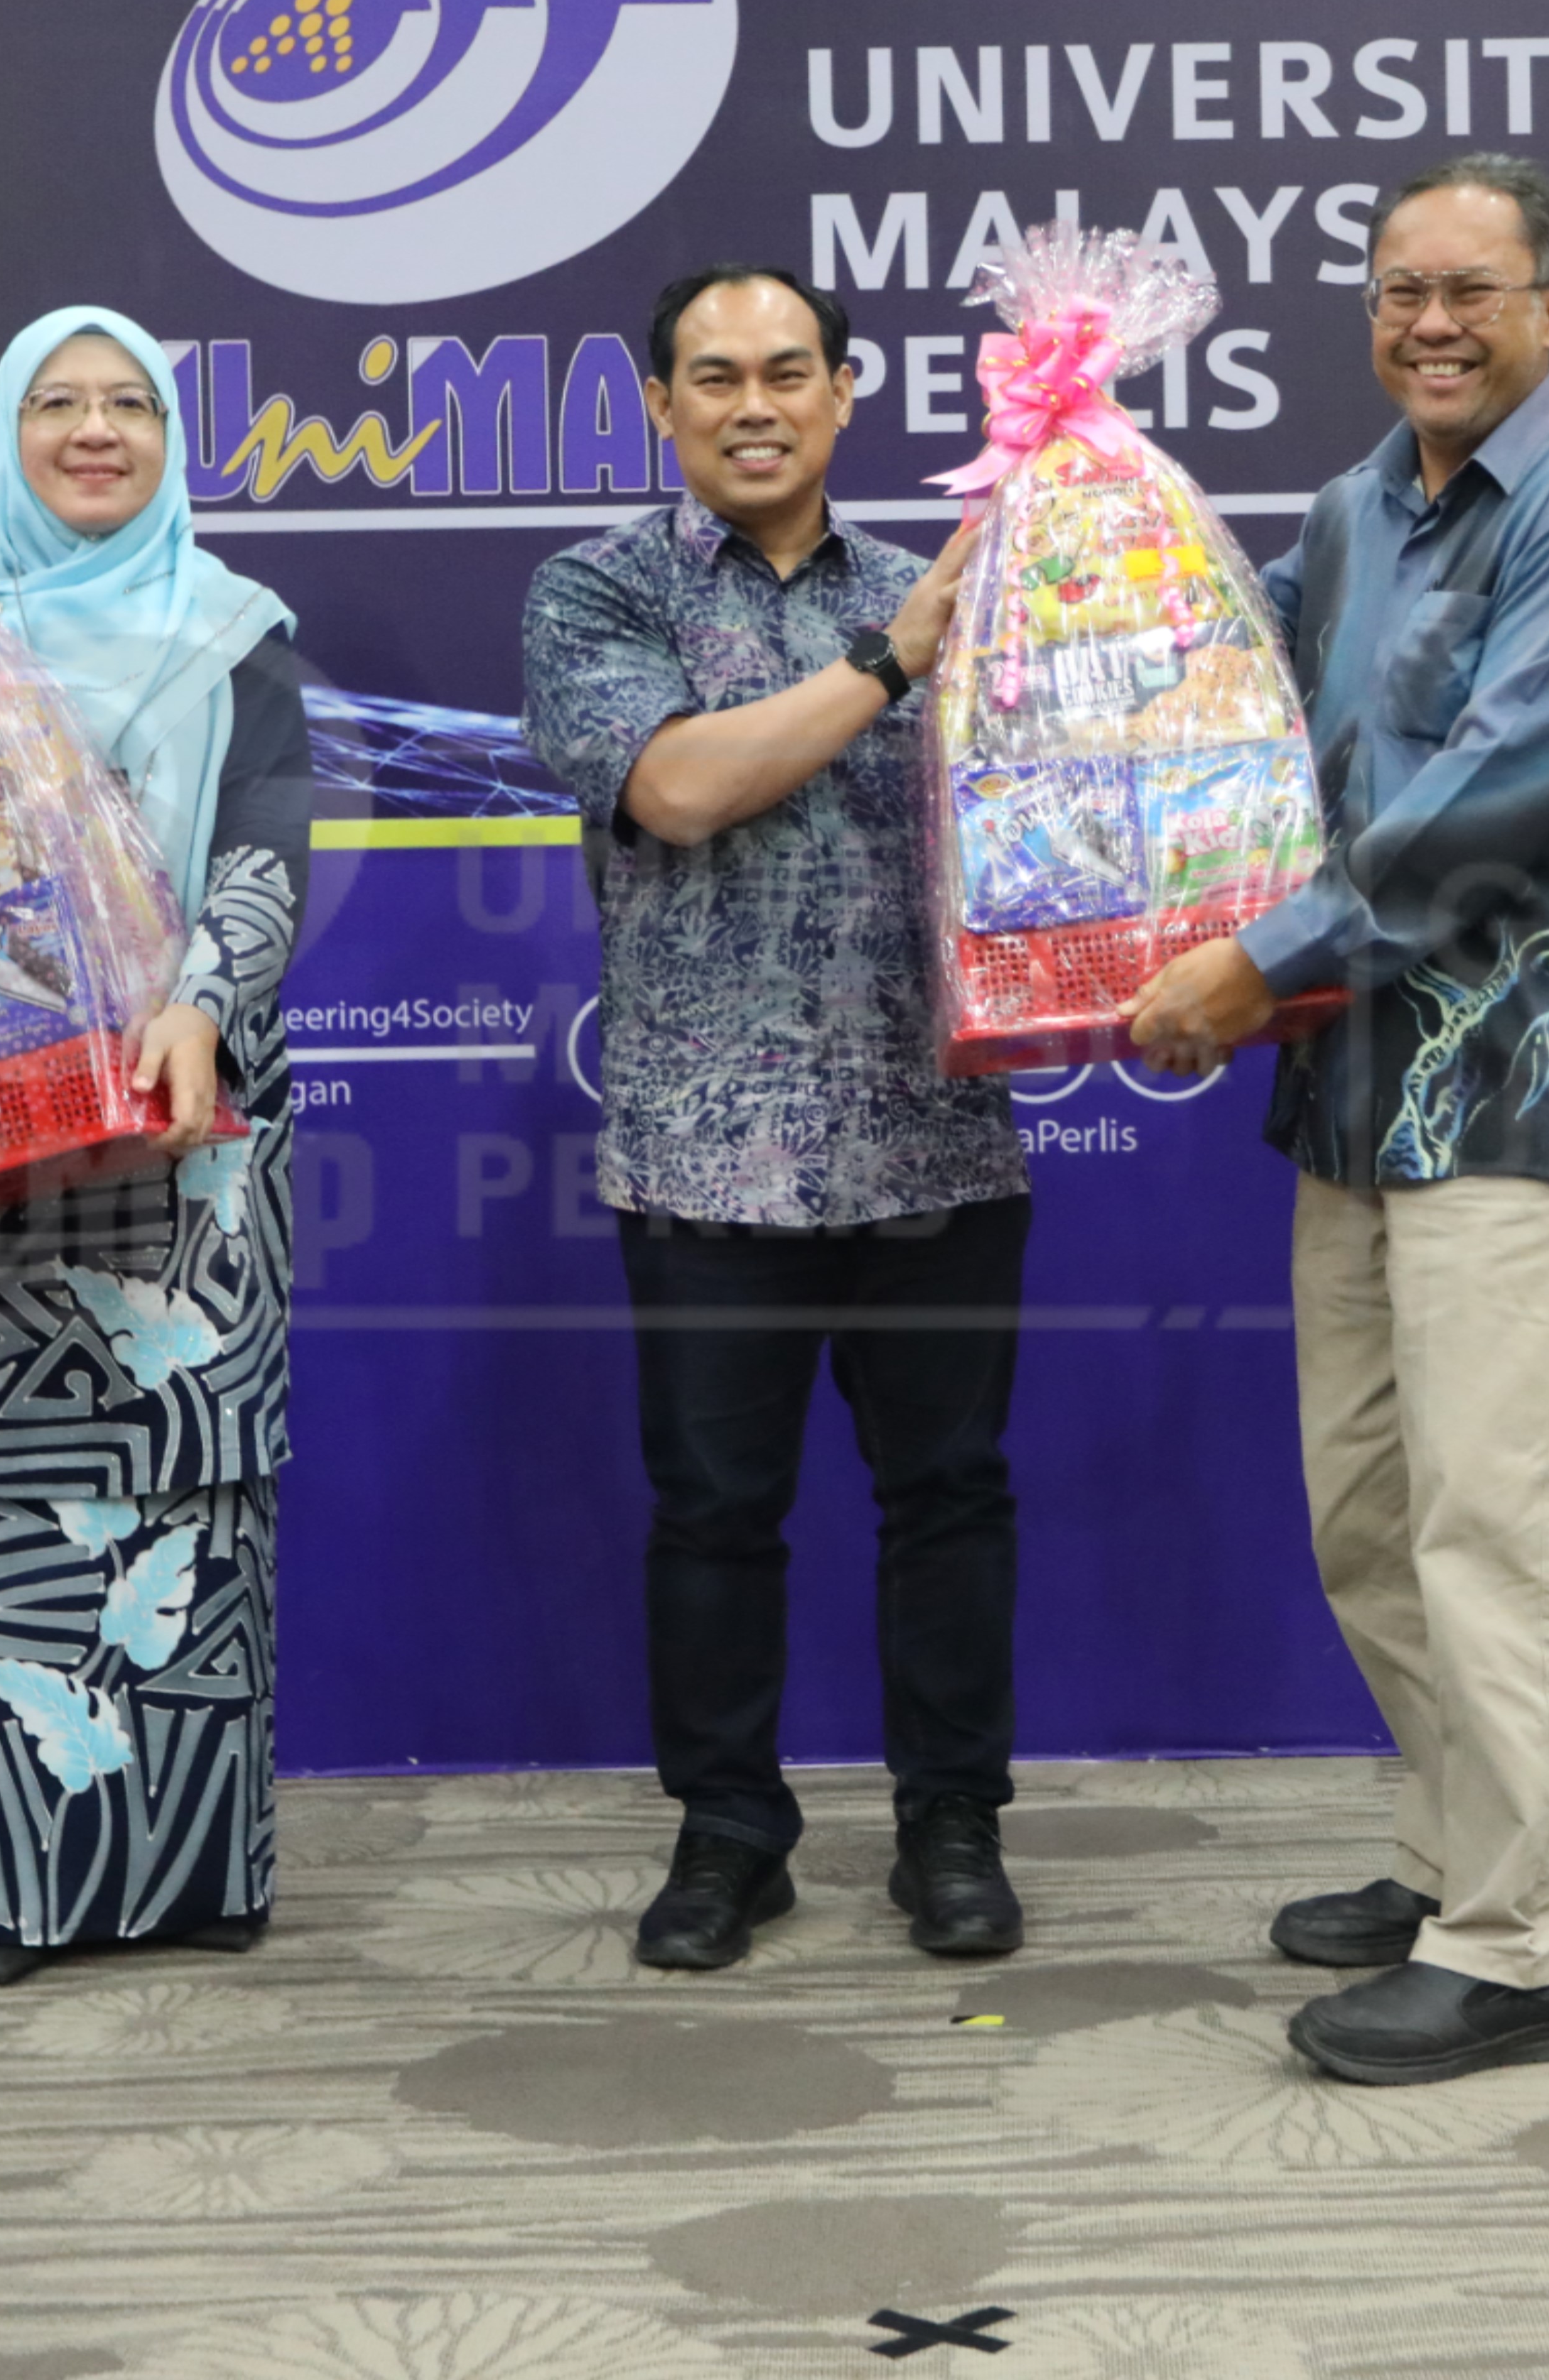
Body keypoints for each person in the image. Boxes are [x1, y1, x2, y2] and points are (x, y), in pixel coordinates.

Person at [1126, 153, 1549, 2083]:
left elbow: (1486, 807)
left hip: (1520, 1097)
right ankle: (1458, 1856)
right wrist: (1074, 540)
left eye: (1472, 290)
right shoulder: (1351, 512)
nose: (1432, 324)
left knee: (1495, 1523)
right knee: (1371, 1517)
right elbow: (1213, 695)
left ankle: (1522, 1949)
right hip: (1355, 1098)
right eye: (1399, 291)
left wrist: (1248, 961)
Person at [519, 263, 1032, 1973]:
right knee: (716, 1518)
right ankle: (731, 1831)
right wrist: (893, 664)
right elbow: (676, 788)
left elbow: (1059, 825)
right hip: (704, 1149)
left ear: (845, 393)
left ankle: (952, 1824)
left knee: (949, 1502)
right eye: (718, 375)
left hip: (935, 1137)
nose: (756, 405)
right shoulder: (600, 594)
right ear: (660, 403)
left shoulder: (949, 588)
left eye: (790, 372)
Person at [0, 307, 310, 1986]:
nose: (96, 430)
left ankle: (201, 1871)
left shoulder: (233, 627)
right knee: (3, 1504)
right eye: (58, 403)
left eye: (130, 403)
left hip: (196, 1122)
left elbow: (268, 836)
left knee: (194, 1499)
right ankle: (23, 1887)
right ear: (8, 436)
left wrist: (201, 998)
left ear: (169, 438)